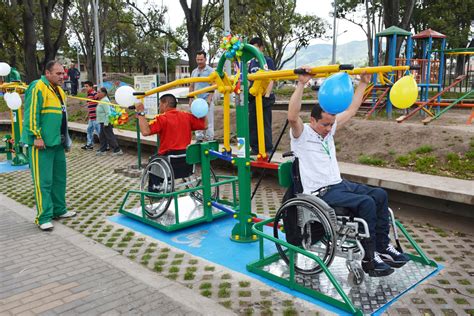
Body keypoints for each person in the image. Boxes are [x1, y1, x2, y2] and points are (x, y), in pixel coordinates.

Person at [287, 67, 409, 277]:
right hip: (320, 193)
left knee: (380, 194)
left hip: (339, 184)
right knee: (366, 203)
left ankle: (382, 246)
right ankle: (369, 258)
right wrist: (301, 83)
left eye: (331, 124)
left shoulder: (329, 129)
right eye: (325, 124)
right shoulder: (302, 134)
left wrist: (363, 83)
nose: (329, 129)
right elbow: (291, 116)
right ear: (313, 120)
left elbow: (351, 110)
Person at [21, 60, 76, 231]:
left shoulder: (60, 90)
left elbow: (63, 118)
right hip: (41, 144)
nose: (62, 76)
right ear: (47, 73)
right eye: (58, 73)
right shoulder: (38, 86)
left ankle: (59, 210)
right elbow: (31, 113)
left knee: (59, 179)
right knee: (43, 181)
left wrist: (65, 140)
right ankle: (43, 217)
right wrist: (36, 136)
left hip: (57, 143)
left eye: (63, 73)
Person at [136, 94, 206, 155]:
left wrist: (140, 112)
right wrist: (204, 110)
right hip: (185, 156)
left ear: (165, 104)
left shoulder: (161, 118)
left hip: (168, 157)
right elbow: (205, 125)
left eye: (159, 104)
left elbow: (145, 131)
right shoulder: (187, 116)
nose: (158, 107)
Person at [248, 37, 276, 156]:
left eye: (255, 47)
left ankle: (267, 148)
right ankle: (255, 147)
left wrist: (267, 94)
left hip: (264, 96)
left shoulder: (267, 61)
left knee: (265, 122)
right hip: (254, 96)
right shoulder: (252, 63)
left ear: (261, 47)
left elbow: (272, 78)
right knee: (253, 123)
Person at [189, 50, 214, 141]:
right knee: (197, 119)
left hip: (206, 99)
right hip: (196, 100)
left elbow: (213, 86)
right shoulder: (194, 71)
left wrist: (209, 99)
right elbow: (191, 85)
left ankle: (209, 138)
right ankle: (199, 138)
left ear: (205, 59)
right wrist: (190, 98)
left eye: (201, 59)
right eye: (197, 59)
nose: (199, 62)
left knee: (209, 121)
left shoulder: (211, 71)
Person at [95, 87, 123, 156]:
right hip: (102, 122)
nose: (97, 94)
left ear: (103, 93)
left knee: (110, 136)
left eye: (99, 92)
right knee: (102, 136)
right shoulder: (102, 100)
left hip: (106, 122)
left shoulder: (105, 101)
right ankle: (102, 150)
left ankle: (117, 150)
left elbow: (108, 113)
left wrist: (106, 123)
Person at [81, 81, 100, 150]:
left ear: (91, 87)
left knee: (99, 131)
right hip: (91, 117)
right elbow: (89, 106)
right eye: (84, 86)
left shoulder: (94, 93)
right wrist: (88, 115)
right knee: (89, 130)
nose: (85, 88)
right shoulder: (88, 95)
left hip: (96, 117)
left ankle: (105, 145)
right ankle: (89, 144)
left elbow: (99, 102)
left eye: (87, 86)